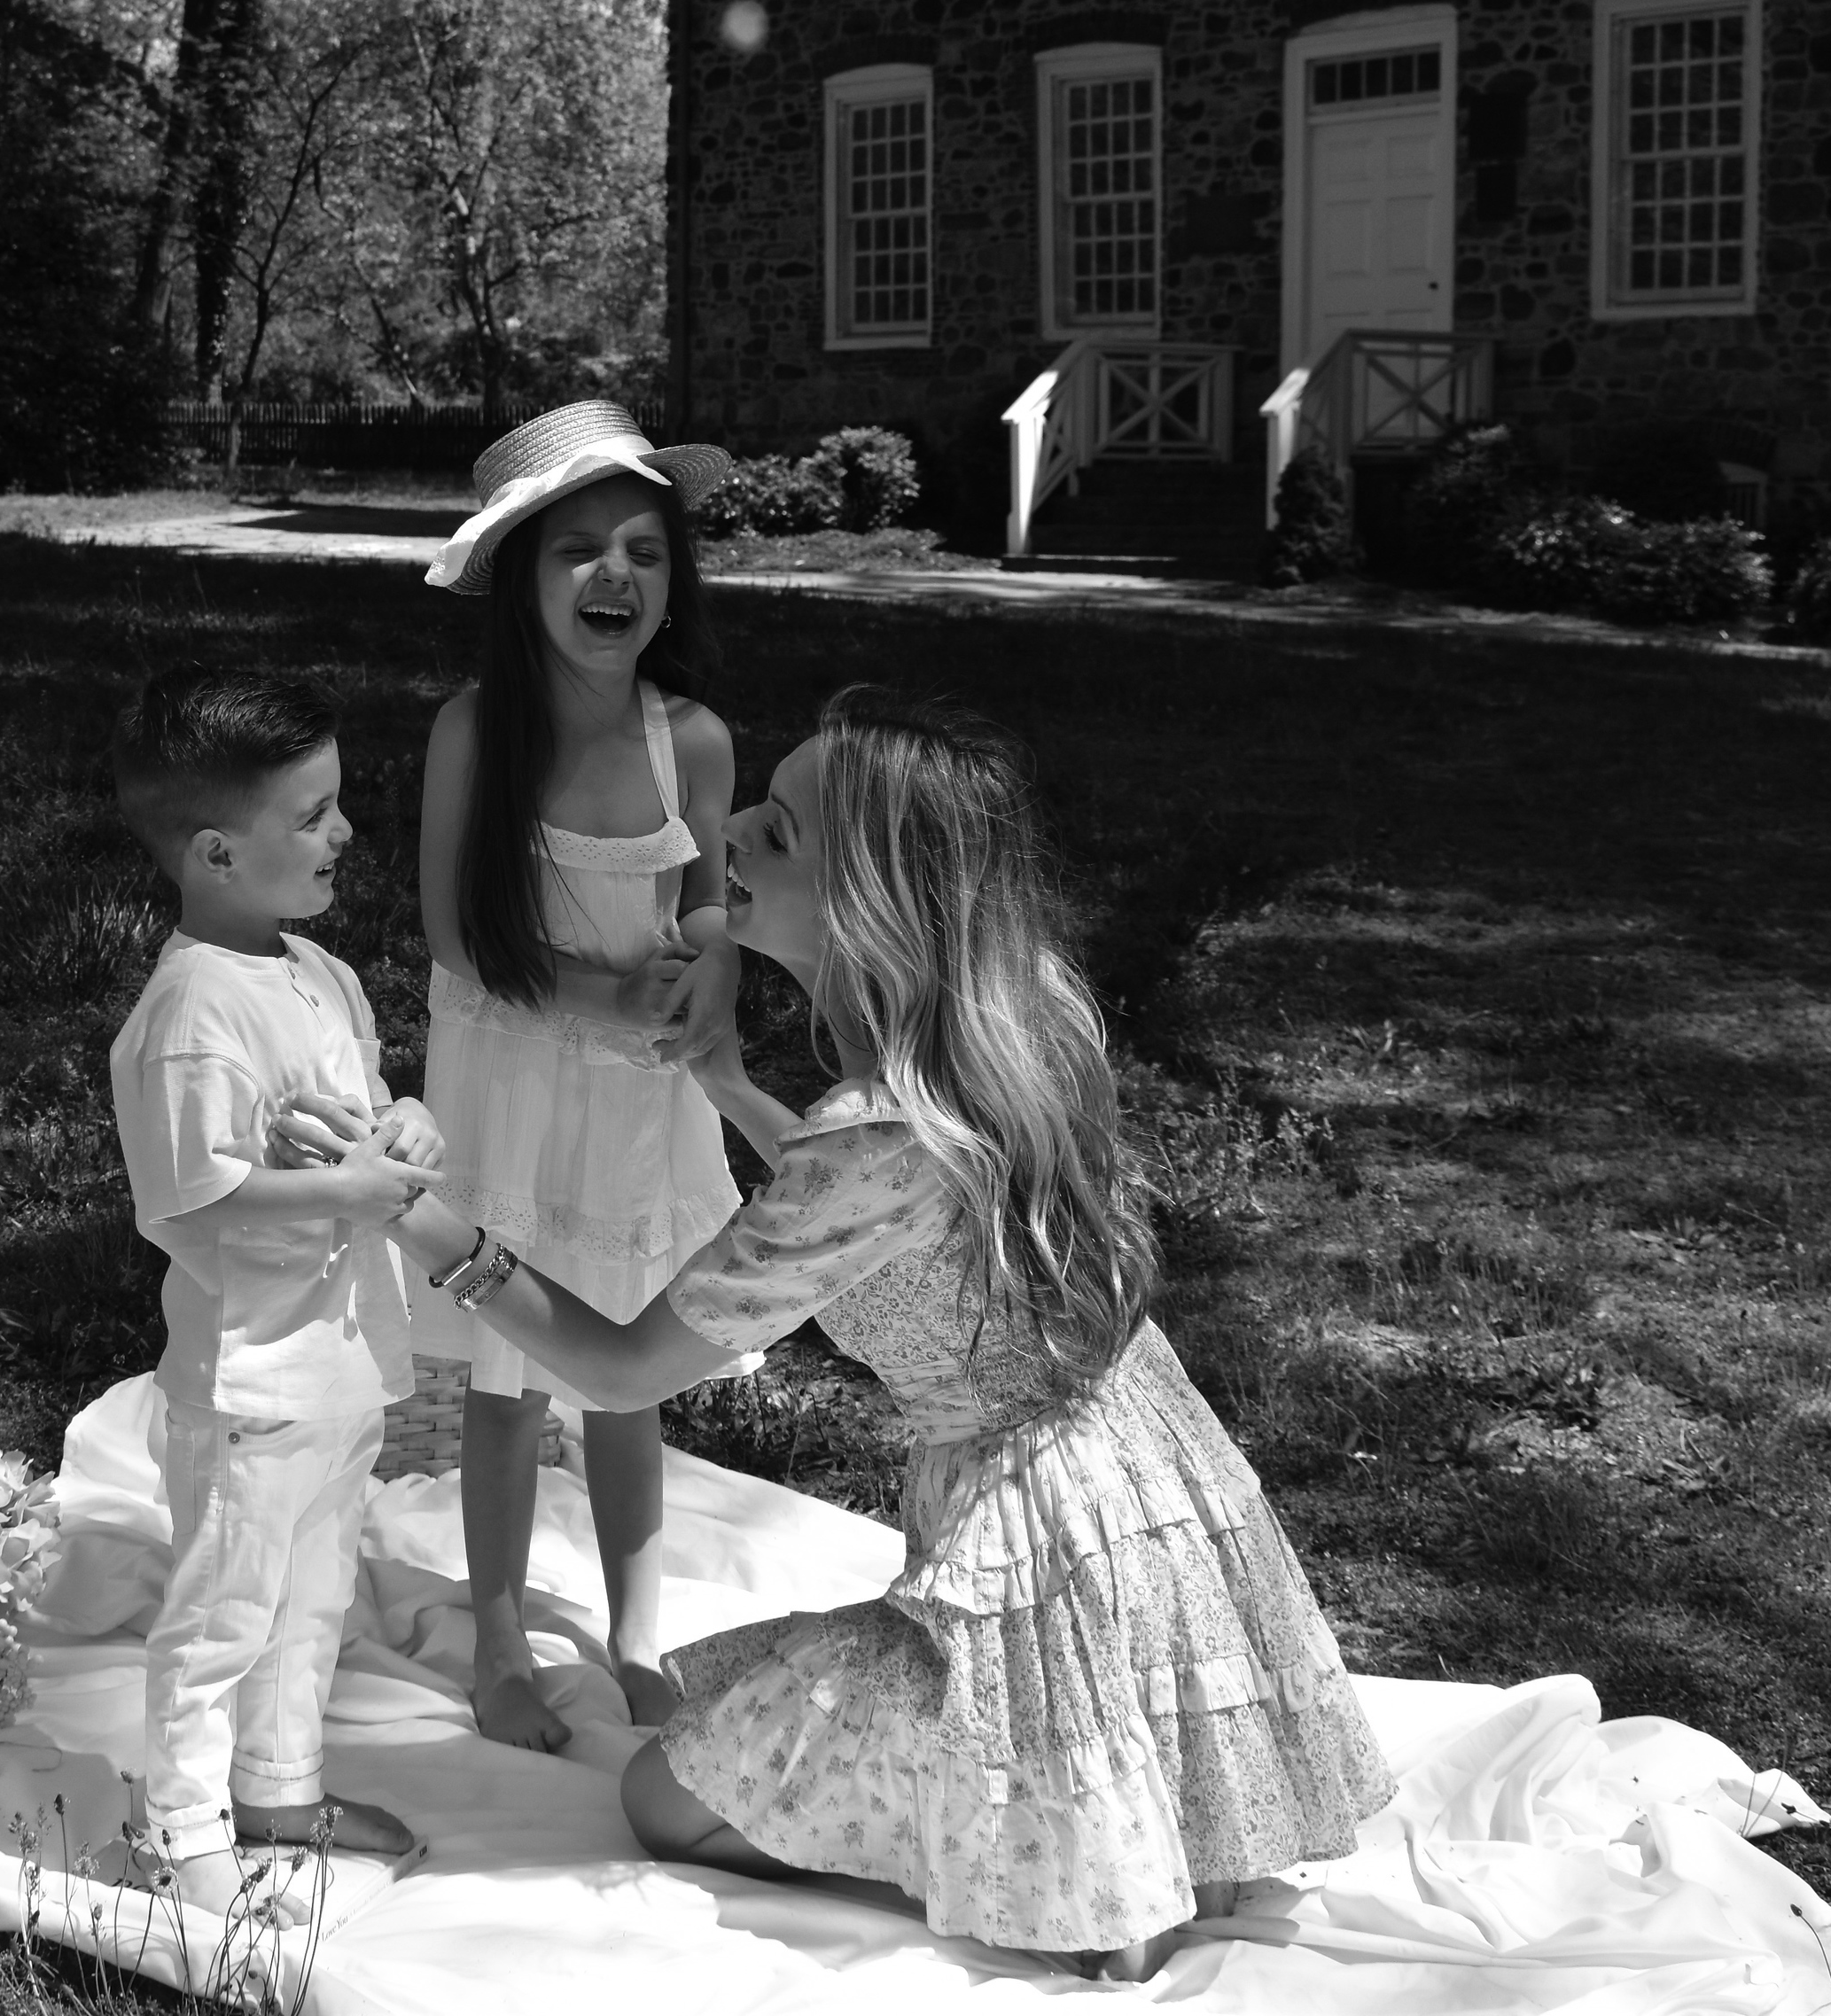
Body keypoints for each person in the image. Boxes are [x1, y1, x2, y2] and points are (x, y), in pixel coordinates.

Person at [346, 689, 1395, 1973]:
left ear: (868, 905)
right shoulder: (1023, 1021)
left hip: (1039, 1557)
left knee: (663, 1800)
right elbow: (880, 1210)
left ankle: (1038, 1862)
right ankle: (1104, 1823)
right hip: (1146, 1486)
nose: (733, 828)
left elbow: (618, 1368)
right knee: (746, 1724)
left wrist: (422, 1220)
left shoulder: (876, 1139)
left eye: (778, 832)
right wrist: (730, 1086)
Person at [412, 400, 746, 1750]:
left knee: (630, 1370)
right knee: (508, 1376)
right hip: (513, 1079)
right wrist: (607, 993)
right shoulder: (476, 730)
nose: (617, 576)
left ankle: (636, 1631)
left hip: (638, 1096)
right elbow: (457, 936)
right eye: (579, 551)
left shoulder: (693, 738)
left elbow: (709, 900)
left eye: (645, 552)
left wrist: (712, 965)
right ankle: (499, 1643)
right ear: (521, 578)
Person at [103, 663, 438, 1919]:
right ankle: (185, 1833)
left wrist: (406, 1127)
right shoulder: (195, 1012)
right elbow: (187, 1198)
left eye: (336, 803)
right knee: (222, 1613)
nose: (344, 831)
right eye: (312, 815)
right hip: (251, 1376)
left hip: (340, 1362)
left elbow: (361, 1115)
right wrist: (344, 1194)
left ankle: (281, 1792)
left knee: (314, 1600)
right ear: (215, 853)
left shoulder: (317, 972)